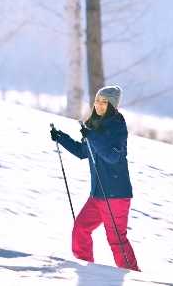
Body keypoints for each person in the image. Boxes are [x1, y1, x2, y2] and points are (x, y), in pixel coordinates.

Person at [50, 86, 140, 271]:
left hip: (116, 195)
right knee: (80, 229)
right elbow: (83, 152)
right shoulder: (95, 125)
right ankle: (87, 271)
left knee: (116, 241)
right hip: (97, 195)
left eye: (104, 102)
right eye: (97, 100)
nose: (99, 105)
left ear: (112, 105)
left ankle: (134, 278)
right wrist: (61, 138)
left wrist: (91, 136)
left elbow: (112, 155)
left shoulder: (118, 128)